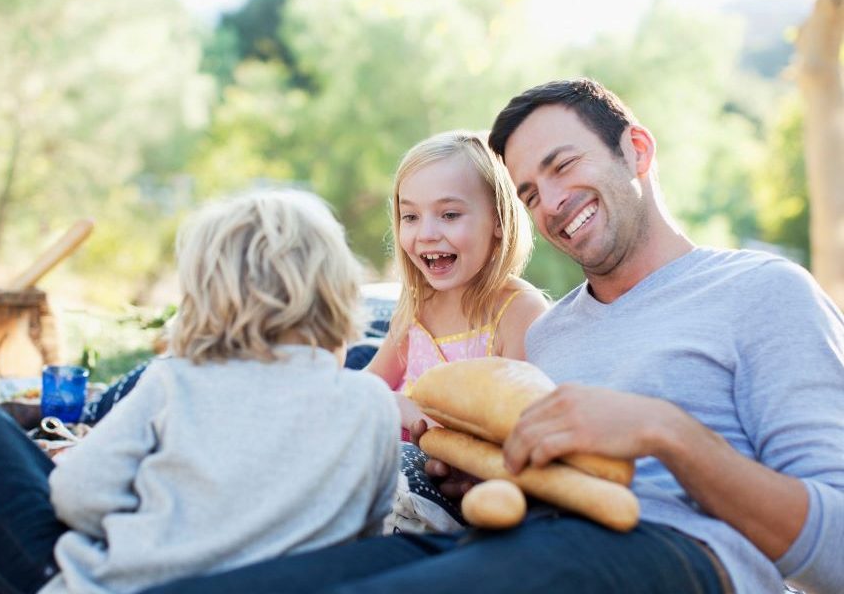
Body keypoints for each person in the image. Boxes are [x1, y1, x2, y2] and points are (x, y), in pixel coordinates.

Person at [136, 79, 843, 594]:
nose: (553, 201)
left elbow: (835, 554)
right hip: (505, 536)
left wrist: (669, 433)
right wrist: (482, 471)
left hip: (675, 554)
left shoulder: (761, 293)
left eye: (563, 165)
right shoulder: (553, 333)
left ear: (636, 149)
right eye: (530, 192)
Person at [0, 189, 401, 594]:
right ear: (338, 293)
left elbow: (76, 498)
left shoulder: (177, 380)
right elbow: (362, 531)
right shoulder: (373, 403)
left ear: (205, 298)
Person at [367, 130, 547, 434]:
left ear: (499, 221)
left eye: (449, 215)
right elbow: (369, 385)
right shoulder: (417, 305)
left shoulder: (520, 311)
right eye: (410, 216)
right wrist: (395, 405)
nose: (425, 234)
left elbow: (516, 428)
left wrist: (416, 417)